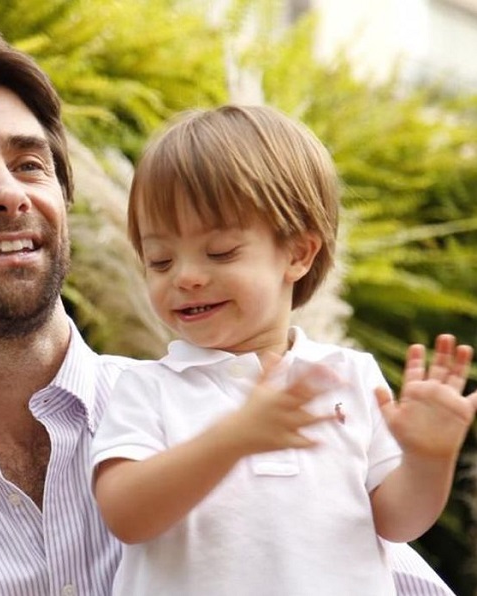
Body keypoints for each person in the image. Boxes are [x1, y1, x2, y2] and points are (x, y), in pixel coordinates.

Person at [0, 29, 464, 596]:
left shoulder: (264, 399)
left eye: (31, 164)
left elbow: (383, 546)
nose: (9, 193)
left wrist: (429, 455)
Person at [90, 105, 477, 595]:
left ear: (297, 253)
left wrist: (428, 459)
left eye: (220, 252)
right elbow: (125, 515)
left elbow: (397, 522)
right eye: (160, 260)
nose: (185, 276)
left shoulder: (348, 376)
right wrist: (234, 439)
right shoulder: (148, 388)